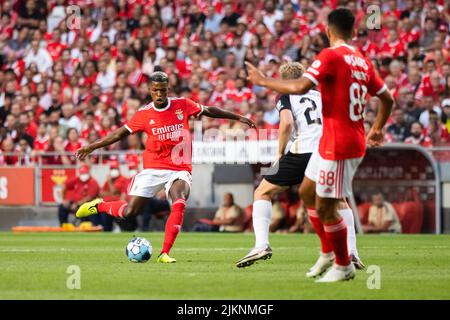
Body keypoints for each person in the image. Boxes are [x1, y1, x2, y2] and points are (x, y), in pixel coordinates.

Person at [245, 8, 394, 282]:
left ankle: (341, 260)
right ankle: (339, 252)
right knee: (316, 195)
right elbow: (387, 99)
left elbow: (293, 107)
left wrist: (263, 81)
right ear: (356, 31)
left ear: (328, 31)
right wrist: (376, 129)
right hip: (339, 141)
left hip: (331, 145)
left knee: (271, 194)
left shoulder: (329, 58)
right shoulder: (361, 62)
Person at [75, 71, 255, 263]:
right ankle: (100, 205)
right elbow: (119, 134)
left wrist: (238, 117)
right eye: (155, 91)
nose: (159, 94)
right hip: (154, 167)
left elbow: (210, 110)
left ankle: (164, 253)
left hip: (180, 167)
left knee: (179, 199)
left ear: (168, 89)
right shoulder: (144, 114)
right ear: (149, 91)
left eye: (162, 90)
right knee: (130, 213)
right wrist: (92, 146)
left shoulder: (182, 104)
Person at [236, 62, 364, 269]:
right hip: (327, 152)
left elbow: (287, 122)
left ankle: (261, 245)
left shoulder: (285, 96)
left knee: (262, 192)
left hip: (302, 151)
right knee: (340, 200)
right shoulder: (323, 95)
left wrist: (280, 152)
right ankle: (352, 252)